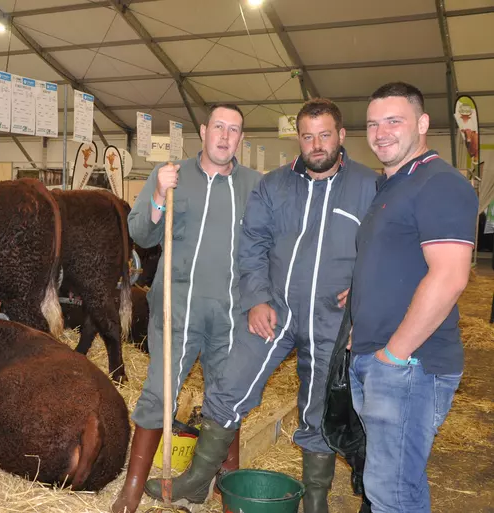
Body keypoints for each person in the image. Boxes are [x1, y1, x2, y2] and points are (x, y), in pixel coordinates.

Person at [145, 98, 378, 513]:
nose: (316, 144)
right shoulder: (274, 185)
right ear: (298, 139)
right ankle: (199, 481)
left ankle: (317, 501)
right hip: (276, 312)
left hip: (334, 319)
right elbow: (252, 245)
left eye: (325, 135)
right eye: (307, 136)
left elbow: (386, 244)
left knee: (319, 408)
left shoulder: (368, 185)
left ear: (341, 136)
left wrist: (366, 287)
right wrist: (255, 299)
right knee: (228, 385)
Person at [112, 104, 261, 513]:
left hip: (232, 315)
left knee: (226, 398)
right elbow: (140, 231)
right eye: (219, 127)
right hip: (177, 308)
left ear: (240, 139)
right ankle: (132, 489)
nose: (225, 136)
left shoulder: (255, 185)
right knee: (159, 393)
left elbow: (271, 245)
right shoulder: (172, 175)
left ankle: (226, 487)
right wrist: (159, 194)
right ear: (203, 130)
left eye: (234, 130)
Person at [349, 82, 477, 513]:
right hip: (382, 358)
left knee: (393, 494)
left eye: (394, 121)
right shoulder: (393, 185)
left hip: (410, 367)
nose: (381, 132)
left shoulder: (439, 183)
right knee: (390, 484)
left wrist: (393, 356)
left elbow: (450, 277)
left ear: (423, 123)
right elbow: (401, 263)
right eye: (373, 123)